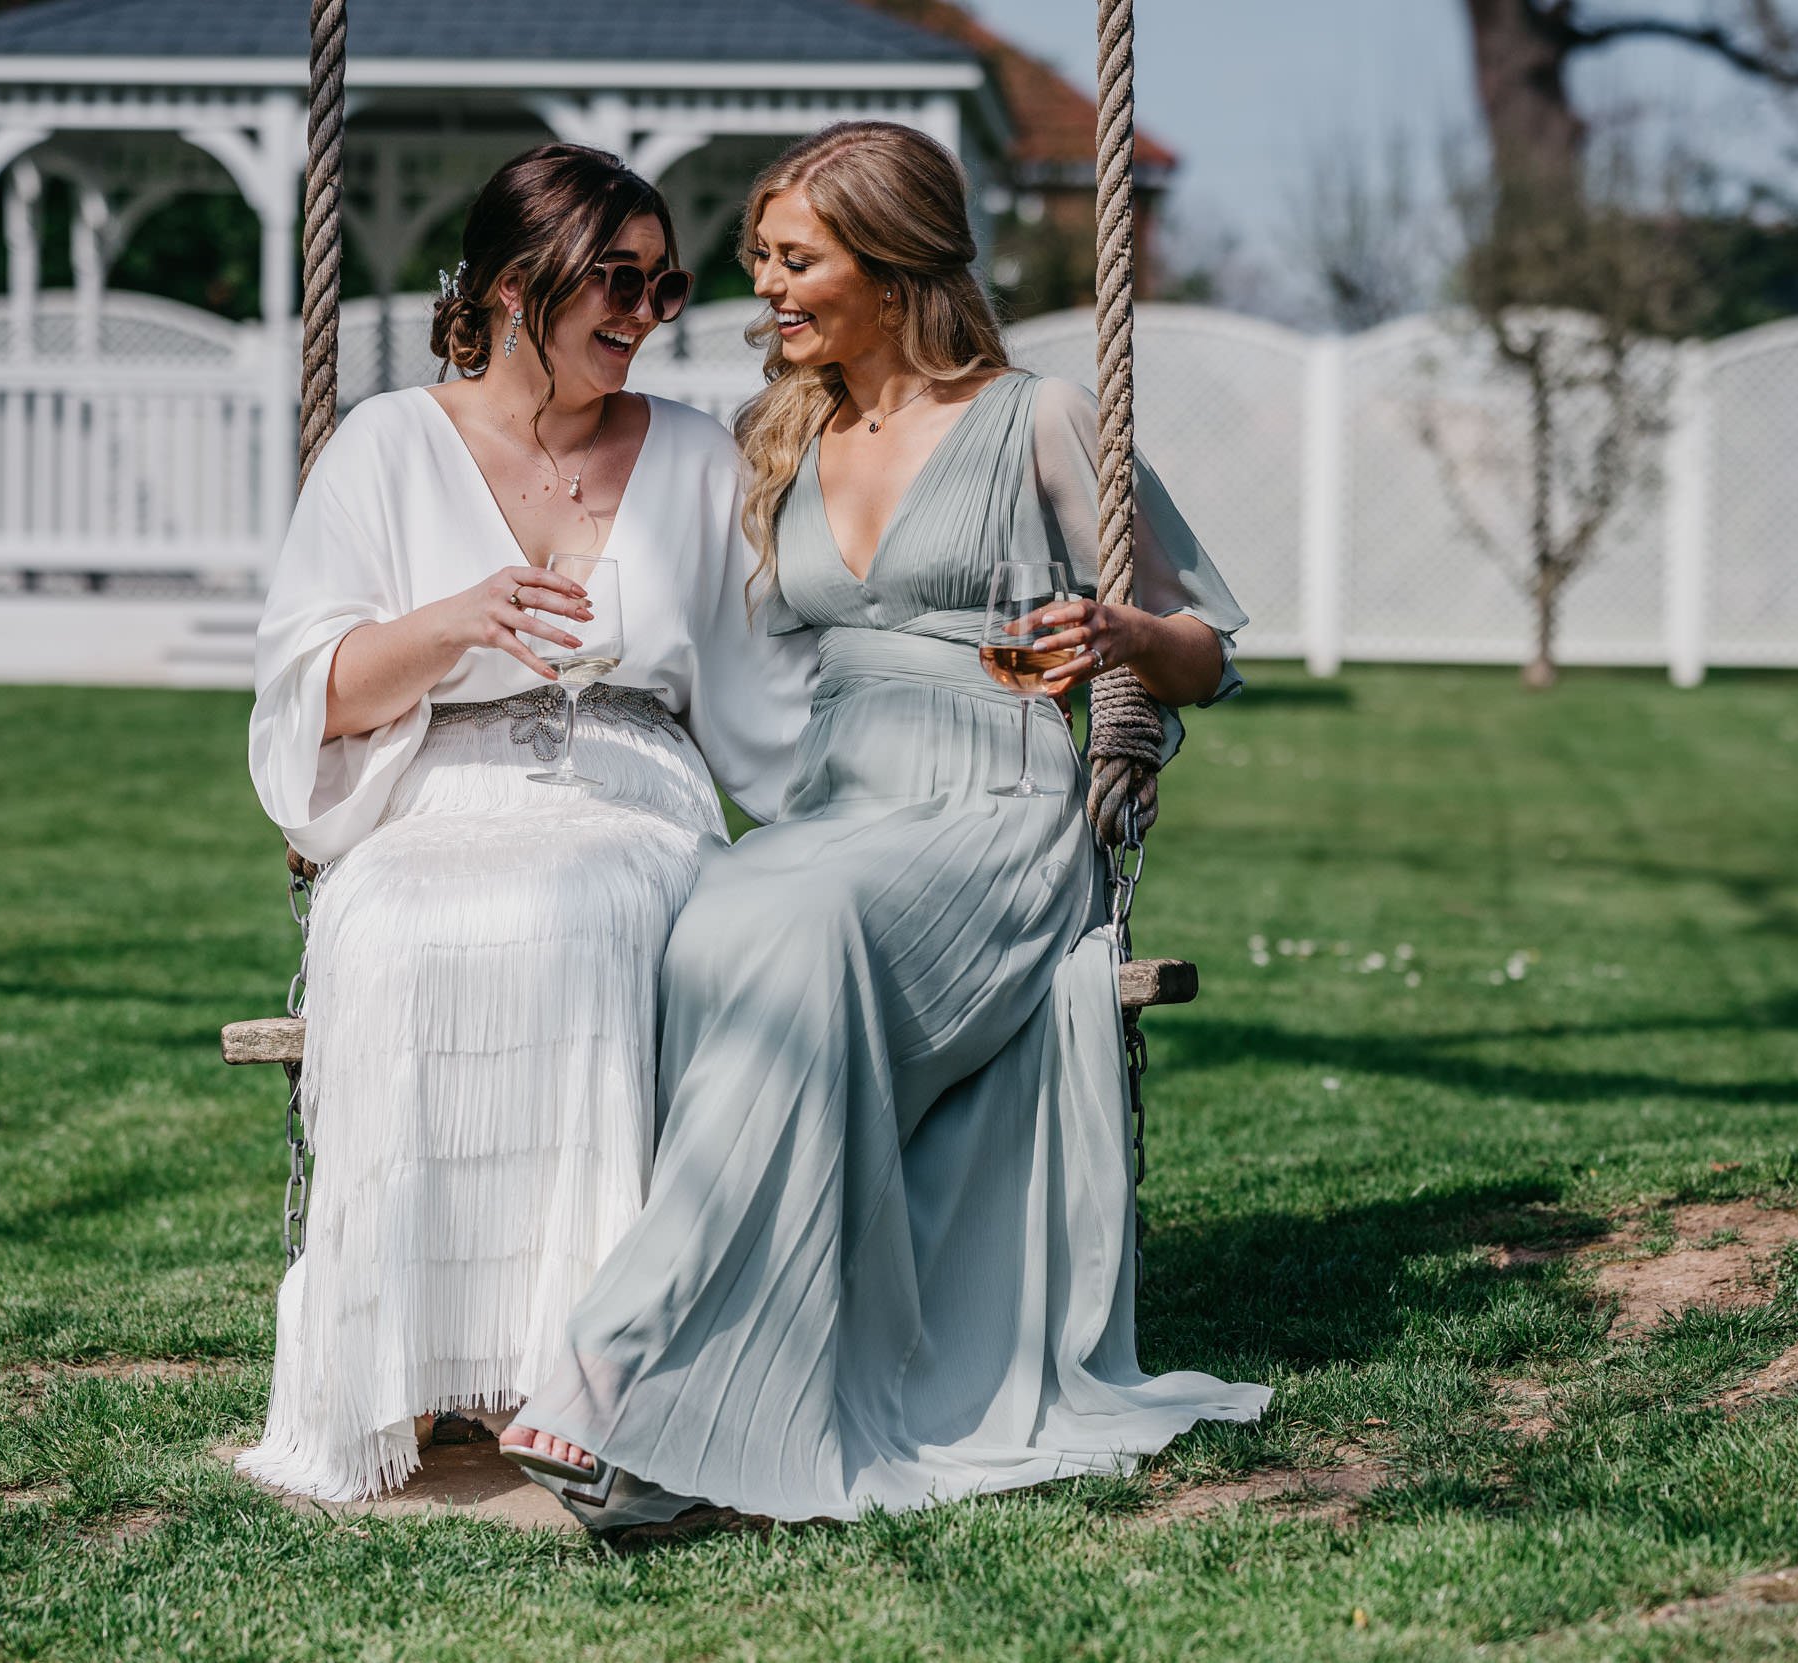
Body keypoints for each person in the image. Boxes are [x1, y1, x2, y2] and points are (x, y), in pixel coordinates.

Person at [501, 121, 1268, 1525]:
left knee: (797, 924)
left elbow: (1209, 647)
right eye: (761, 263)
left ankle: (619, 1356)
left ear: (892, 259)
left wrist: (1117, 638)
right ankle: (704, 1424)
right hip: (837, 808)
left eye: (796, 261)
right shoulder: (781, 434)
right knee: (718, 918)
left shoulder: (1034, 418)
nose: (766, 291)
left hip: (1000, 812)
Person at [236, 145, 814, 1502]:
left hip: (633, 790)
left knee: (598, 911)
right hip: (434, 790)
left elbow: (768, 695)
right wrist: (452, 624)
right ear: (511, 285)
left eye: (663, 283)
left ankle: (599, 1377)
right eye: (614, 278)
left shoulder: (689, 457)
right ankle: (427, 1372)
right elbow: (307, 701)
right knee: (394, 928)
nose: (645, 309)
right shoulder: (385, 446)